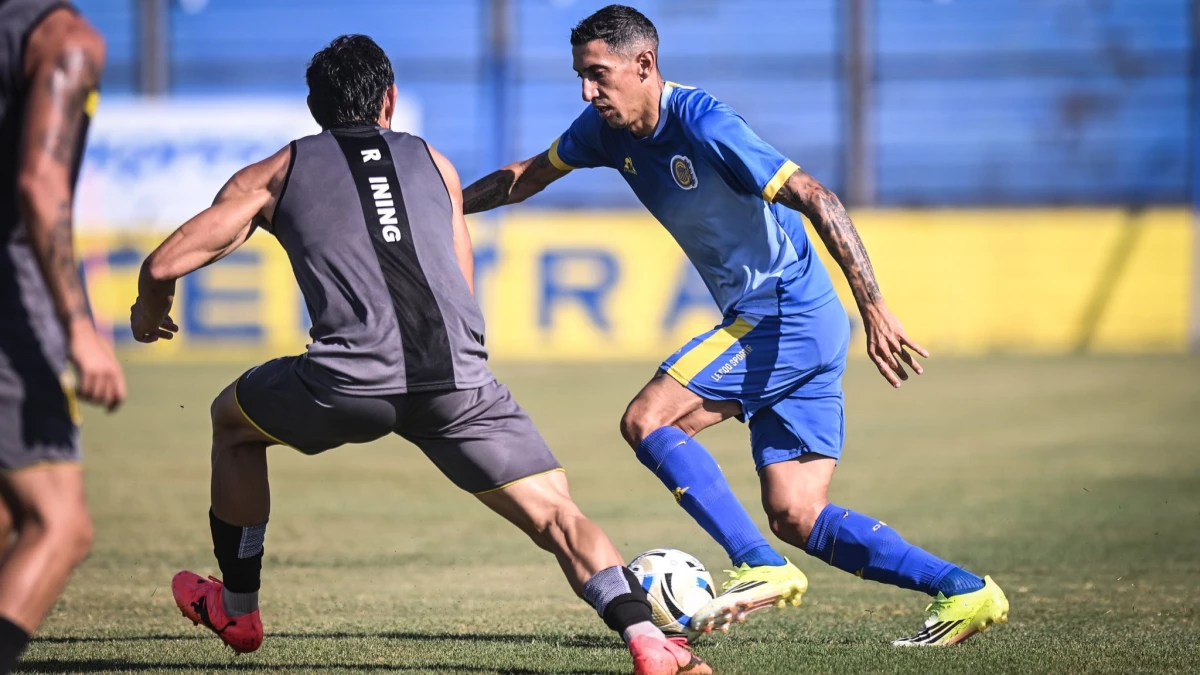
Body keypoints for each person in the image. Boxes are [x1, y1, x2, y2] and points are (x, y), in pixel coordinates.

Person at [129, 35, 711, 675]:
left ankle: (237, 608)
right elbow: (462, 287)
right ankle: (645, 641)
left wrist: (148, 313)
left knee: (231, 425)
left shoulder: (276, 172)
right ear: (390, 100)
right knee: (558, 516)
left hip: (349, 382)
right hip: (460, 380)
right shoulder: (435, 162)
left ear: (314, 106)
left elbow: (164, 264)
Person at [460, 4, 1009, 646]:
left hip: (785, 312)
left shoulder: (706, 122)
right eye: (581, 75)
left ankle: (757, 566)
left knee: (648, 420)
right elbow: (524, 178)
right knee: (798, 514)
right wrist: (438, 207)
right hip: (794, 322)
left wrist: (876, 307)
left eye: (598, 74)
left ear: (644, 64)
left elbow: (817, 196)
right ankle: (966, 591)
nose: (587, 90)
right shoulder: (601, 130)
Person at [0, 1, 125, 671]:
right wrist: (80, 325)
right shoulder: (68, 40)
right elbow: (39, 181)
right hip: (10, 295)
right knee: (60, 524)